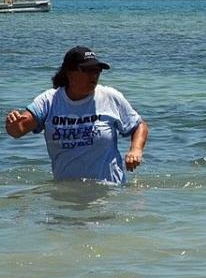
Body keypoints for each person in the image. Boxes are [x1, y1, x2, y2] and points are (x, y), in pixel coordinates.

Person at [5, 46, 149, 185]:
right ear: (70, 73)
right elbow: (18, 130)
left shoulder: (110, 97)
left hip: (109, 192)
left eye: (97, 71)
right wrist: (13, 125)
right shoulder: (49, 100)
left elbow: (138, 125)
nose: (94, 75)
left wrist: (135, 149)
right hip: (66, 194)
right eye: (88, 70)